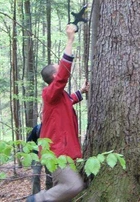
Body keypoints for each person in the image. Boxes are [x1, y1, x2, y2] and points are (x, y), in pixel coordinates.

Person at [27, 24, 89, 202]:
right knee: (74, 186)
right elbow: (64, 75)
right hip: (56, 151)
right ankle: (36, 200)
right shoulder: (50, 93)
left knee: (62, 194)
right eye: (58, 68)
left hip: (63, 151)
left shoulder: (60, 97)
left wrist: (81, 92)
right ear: (55, 77)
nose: (62, 70)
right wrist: (70, 40)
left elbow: (69, 100)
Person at [27, 116, 53, 194]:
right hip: (36, 156)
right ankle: (36, 196)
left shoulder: (52, 129)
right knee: (35, 176)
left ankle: (49, 195)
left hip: (48, 156)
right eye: (42, 117)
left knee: (50, 177)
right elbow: (29, 141)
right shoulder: (36, 129)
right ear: (41, 118)